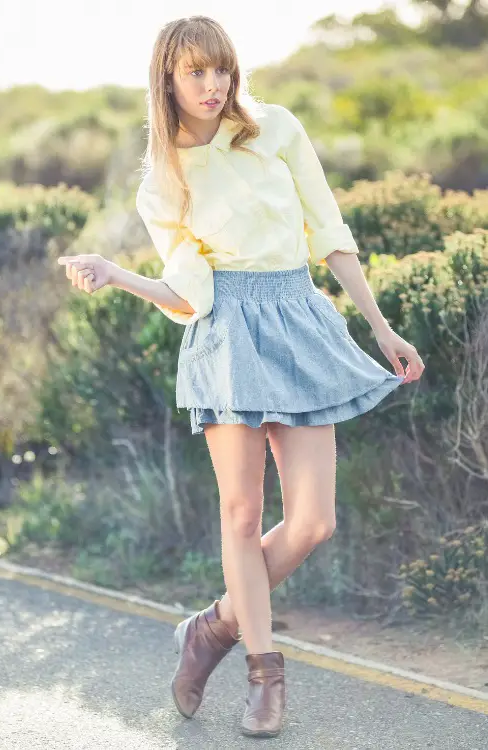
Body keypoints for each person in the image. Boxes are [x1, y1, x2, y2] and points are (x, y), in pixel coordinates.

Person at [57, 15, 424, 740]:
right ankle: (265, 674)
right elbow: (190, 292)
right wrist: (119, 273)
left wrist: (380, 327)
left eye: (221, 69)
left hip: (299, 316)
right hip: (227, 336)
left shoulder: (276, 129)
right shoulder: (163, 181)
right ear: (167, 78)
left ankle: (214, 626)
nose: (212, 84)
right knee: (242, 515)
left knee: (316, 520)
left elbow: (329, 230)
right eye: (195, 71)